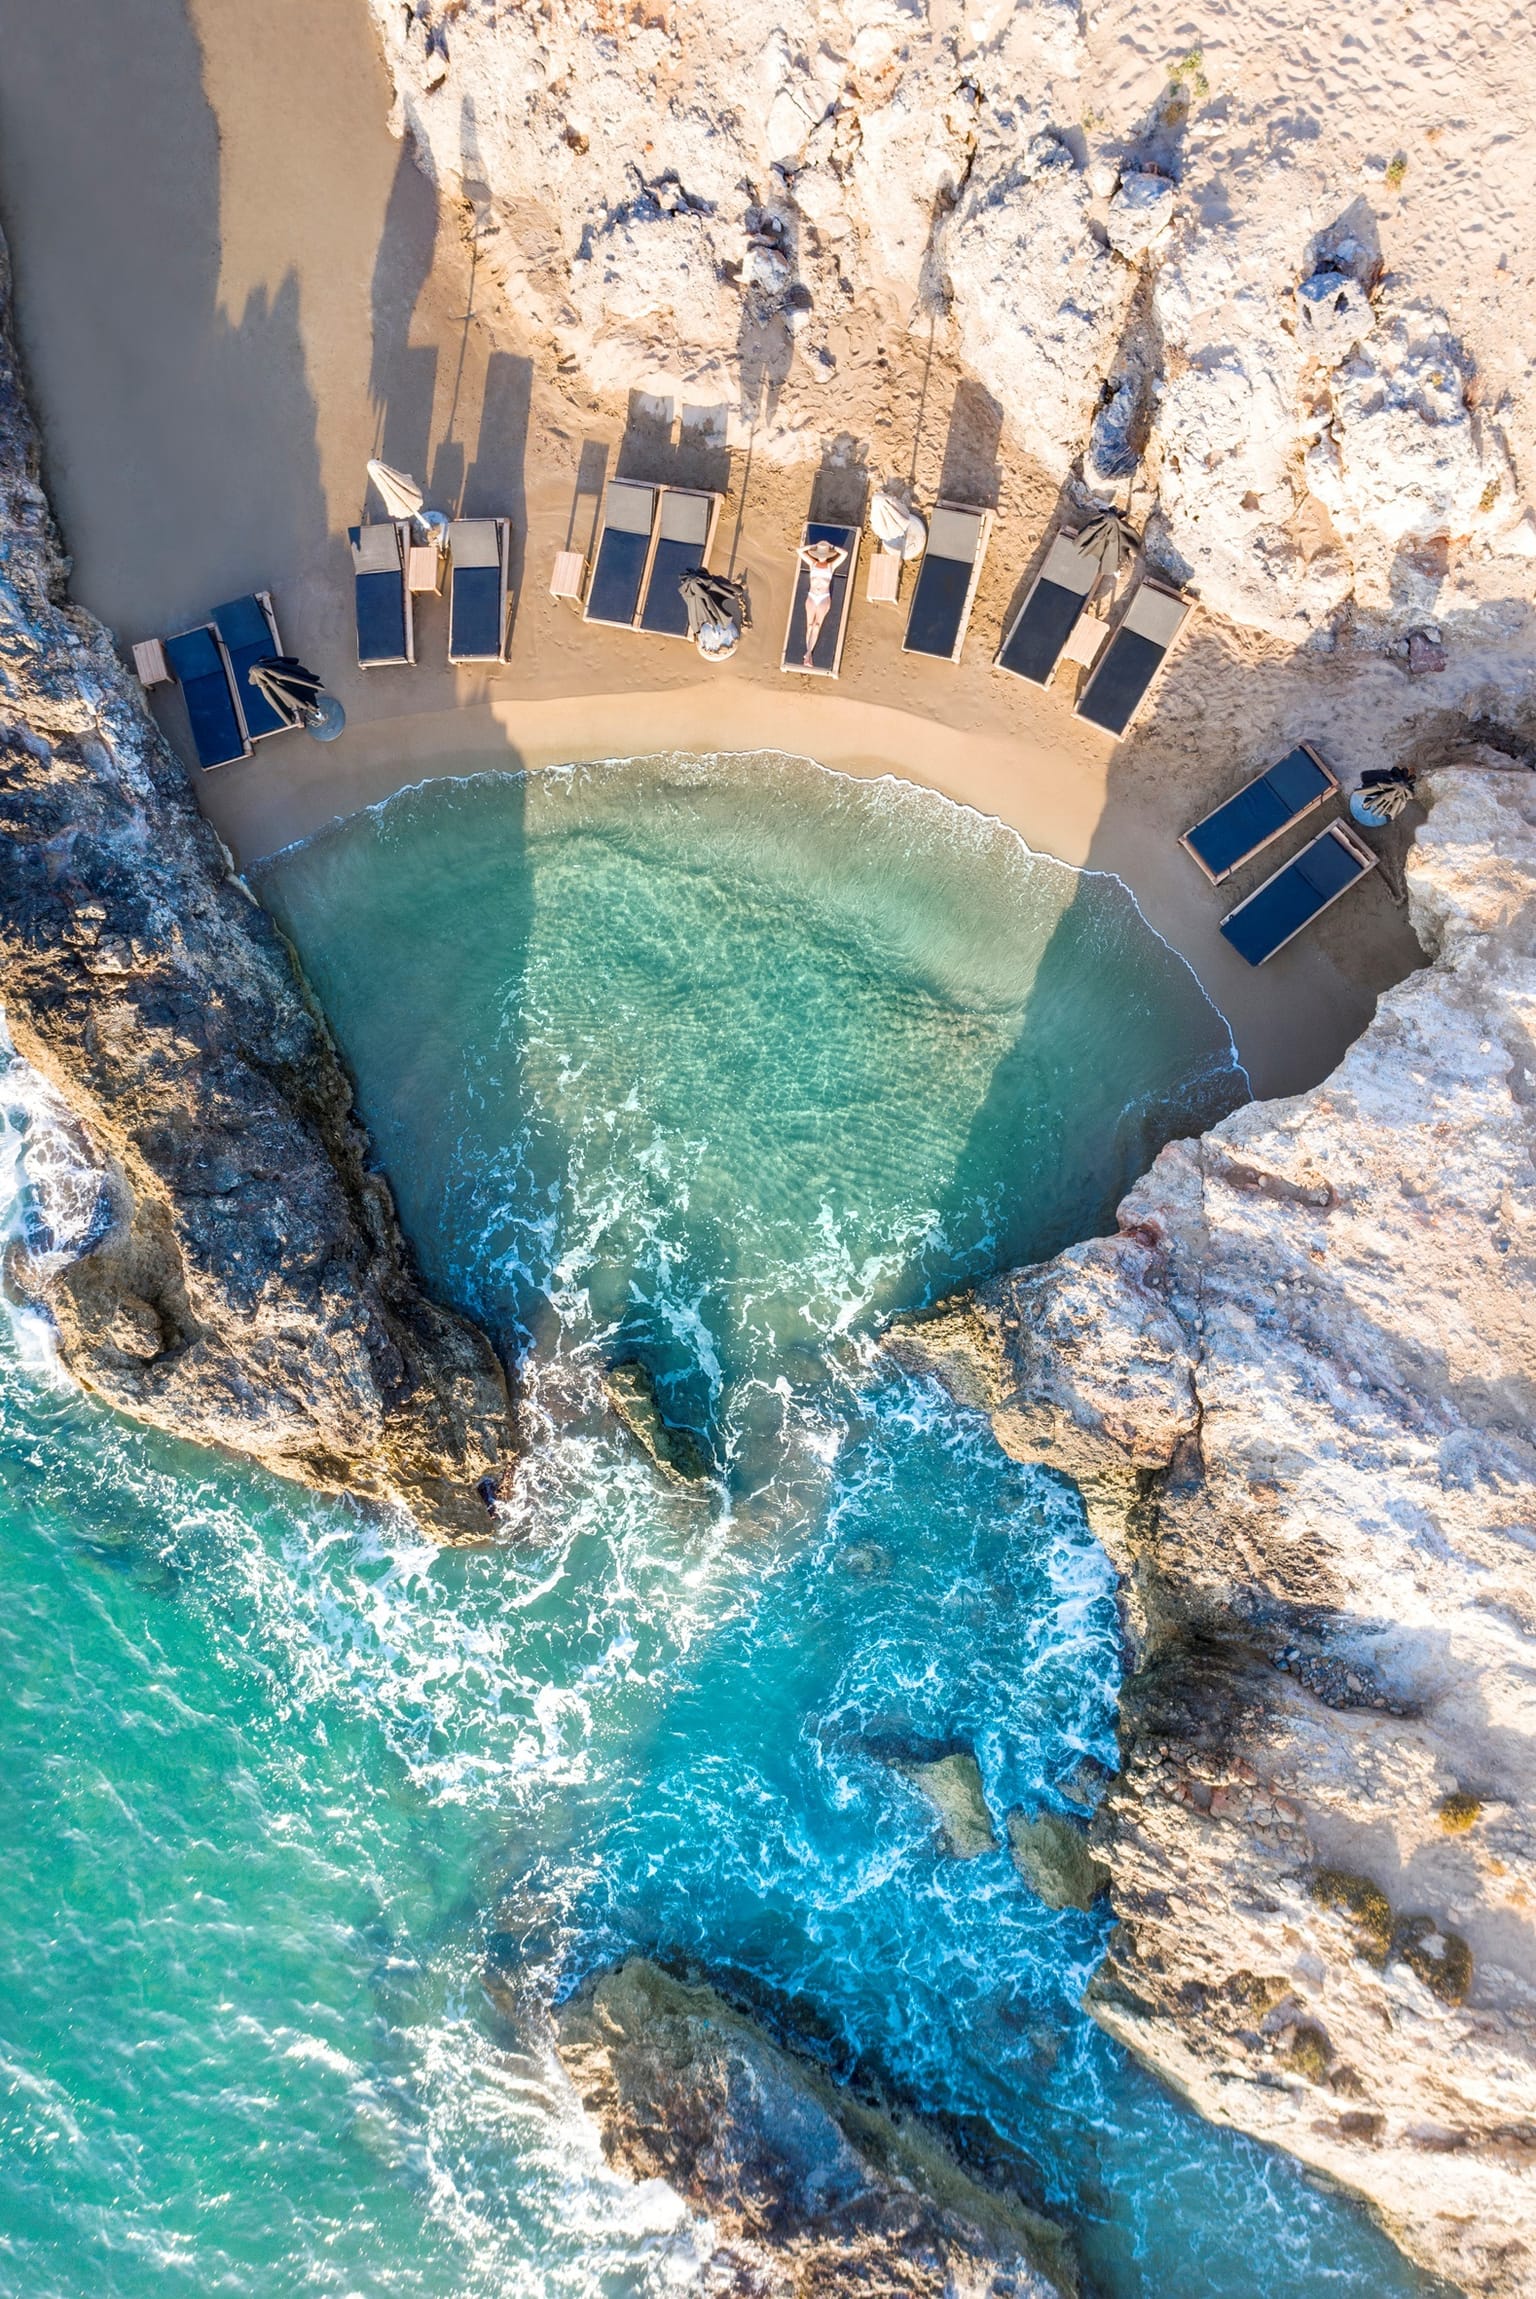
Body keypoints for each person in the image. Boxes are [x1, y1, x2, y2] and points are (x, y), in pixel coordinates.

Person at [796, 538, 848, 668]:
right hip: (812, 595)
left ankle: (808, 654)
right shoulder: (812, 563)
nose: (822, 558)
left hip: (824, 596)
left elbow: (845, 554)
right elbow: (799, 551)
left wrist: (832, 546)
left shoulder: (831, 565)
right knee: (809, 625)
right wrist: (813, 546)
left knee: (817, 625)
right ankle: (808, 655)